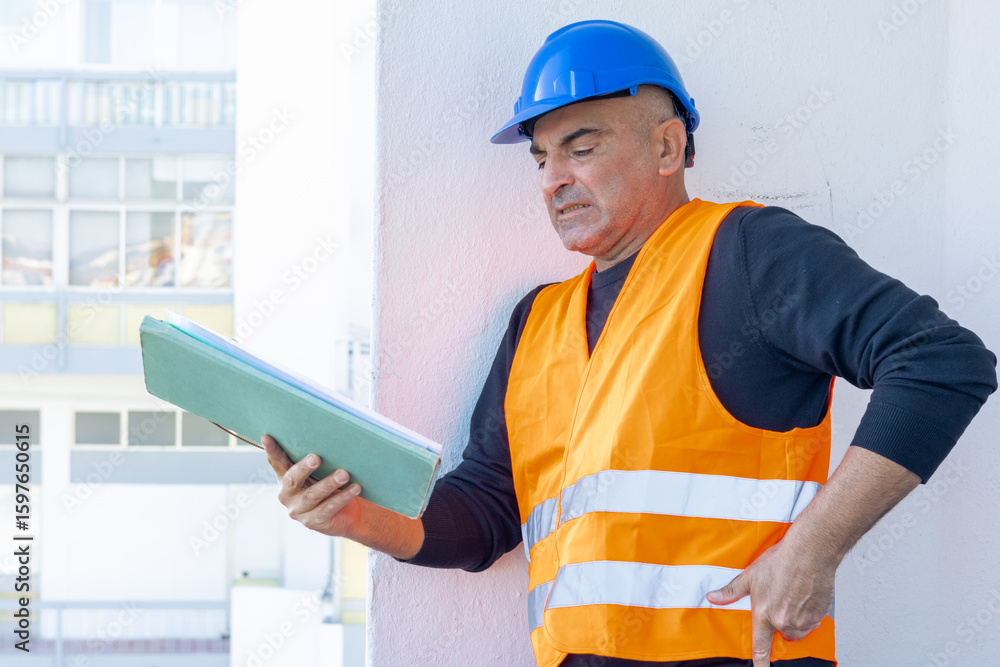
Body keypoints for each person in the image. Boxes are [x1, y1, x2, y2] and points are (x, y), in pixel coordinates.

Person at [263, 19, 997, 667]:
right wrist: (358, 517)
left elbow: (941, 361)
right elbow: (490, 510)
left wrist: (816, 546)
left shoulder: (746, 253)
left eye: (581, 147)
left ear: (668, 146)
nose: (554, 180)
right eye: (541, 158)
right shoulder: (539, 320)